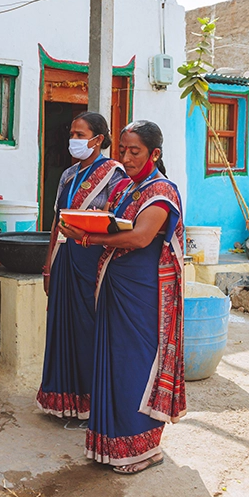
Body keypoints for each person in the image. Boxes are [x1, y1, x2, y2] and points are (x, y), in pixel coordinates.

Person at [58, 120, 184, 475]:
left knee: (133, 366)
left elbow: (141, 238)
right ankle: (113, 446)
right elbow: (113, 223)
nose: (126, 158)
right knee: (111, 363)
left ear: (154, 153)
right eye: (123, 150)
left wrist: (89, 240)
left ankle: (144, 448)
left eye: (135, 152)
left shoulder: (161, 191)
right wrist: (82, 227)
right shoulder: (128, 189)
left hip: (141, 292)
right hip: (115, 286)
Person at [36, 112, 126, 420]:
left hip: (92, 257)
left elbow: (119, 223)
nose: (73, 139)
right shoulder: (67, 175)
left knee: (89, 326)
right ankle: (62, 399)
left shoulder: (115, 174)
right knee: (61, 326)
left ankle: (91, 400)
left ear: (98, 139)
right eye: (72, 133)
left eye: (80, 134)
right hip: (64, 257)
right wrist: (48, 264)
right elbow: (56, 221)